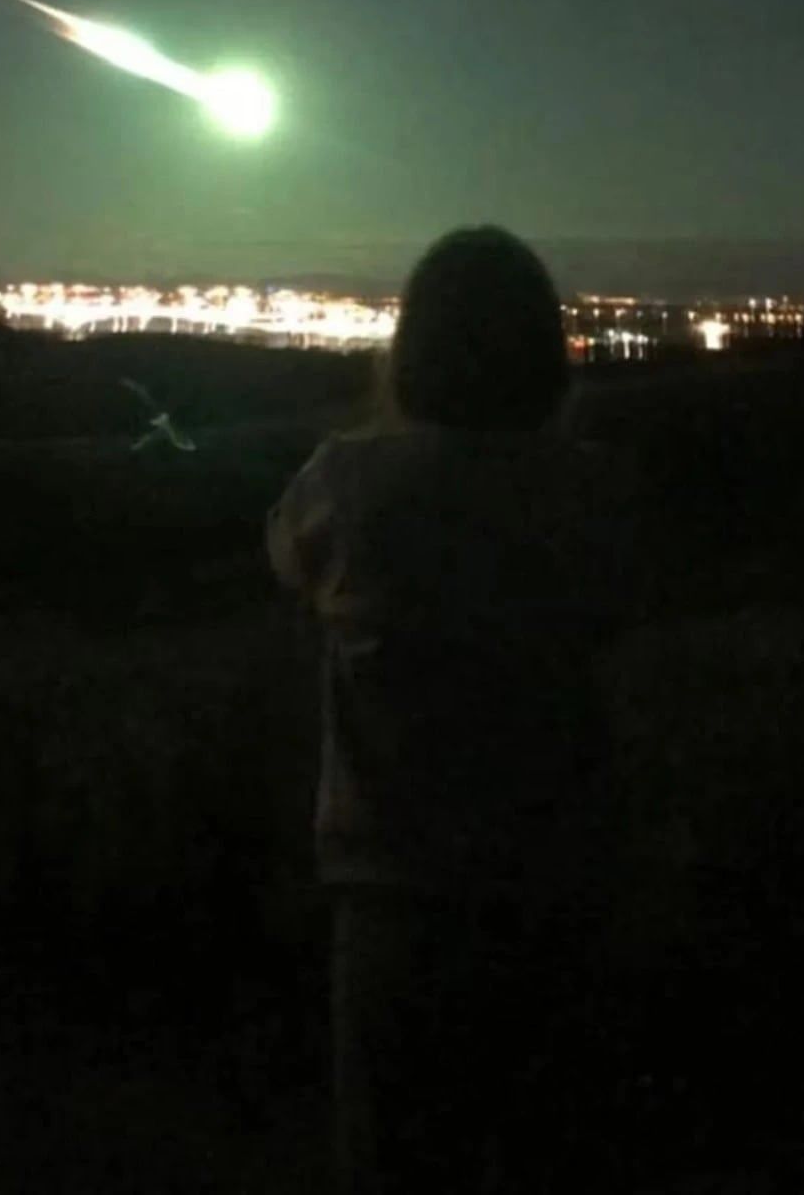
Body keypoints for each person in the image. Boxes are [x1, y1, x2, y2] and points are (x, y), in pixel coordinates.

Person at [267, 227, 640, 1193]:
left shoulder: (349, 486)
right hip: (559, 883)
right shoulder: (589, 493)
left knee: (395, 1154)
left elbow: (289, 560)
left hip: (391, 895)